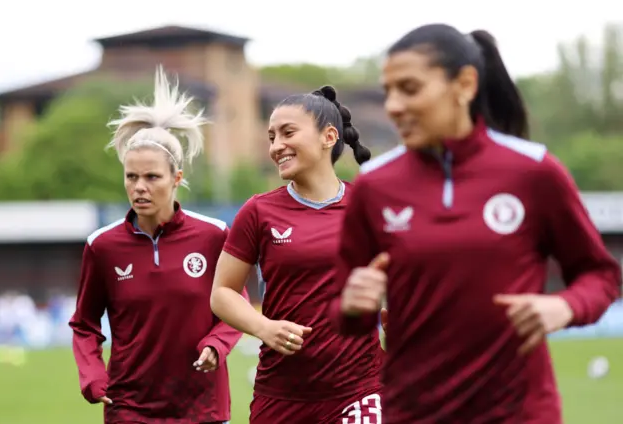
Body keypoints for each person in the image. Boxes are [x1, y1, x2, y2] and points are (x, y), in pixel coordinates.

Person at [331, 24, 622, 424]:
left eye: (410, 88)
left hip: (520, 413)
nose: (394, 106)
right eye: (389, 91)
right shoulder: (374, 186)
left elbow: (601, 275)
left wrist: (564, 305)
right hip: (415, 414)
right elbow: (346, 315)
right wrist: (352, 305)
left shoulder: (534, 171)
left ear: (465, 84)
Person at [69, 66, 248, 424]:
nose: (139, 187)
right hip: (129, 408)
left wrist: (218, 343)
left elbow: (237, 302)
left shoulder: (213, 235)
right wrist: (92, 374)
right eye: (131, 176)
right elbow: (85, 324)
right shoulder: (102, 246)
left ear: (177, 178)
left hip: (203, 408)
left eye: (152, 177)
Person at [210, 86, 385, 424]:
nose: (276, 146)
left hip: (361, 390)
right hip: (281, 396)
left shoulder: (368, 206)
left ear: (328, 136)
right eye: (272, 137)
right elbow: (222, 293)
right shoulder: (258, 211)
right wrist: (263, 327)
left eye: (288, 133)